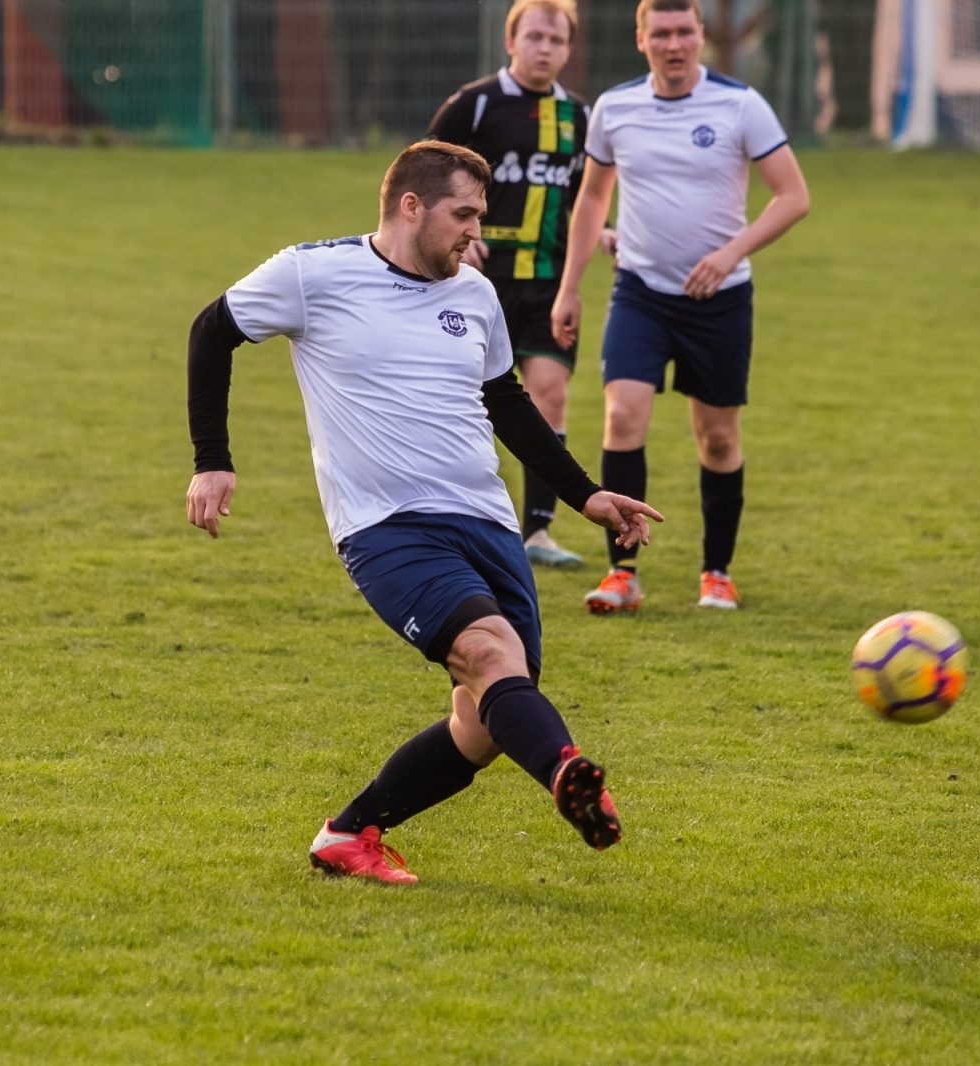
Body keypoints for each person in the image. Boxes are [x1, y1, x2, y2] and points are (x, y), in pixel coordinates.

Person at [184, 141, 663, 885]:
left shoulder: (474, 292)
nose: (477, 233)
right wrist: (212, 458)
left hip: (487, 522)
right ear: (411, 206)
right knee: (490, 658)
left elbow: (506, 401)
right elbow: (211, 331)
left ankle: (349, 834)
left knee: (485, 720)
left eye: (481, 216)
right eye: (464, 215)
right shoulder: (313, 274)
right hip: (387, 527)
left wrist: (586, 495)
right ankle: (568, 771)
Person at [551, 0, 809, 614]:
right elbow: (592, 201)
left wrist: (729, 254)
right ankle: (622, 573)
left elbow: (793, 196)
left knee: (717, 438)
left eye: (684, 32)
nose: (674, 44)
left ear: (700, 36)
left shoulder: (740, 104)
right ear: (641, 39)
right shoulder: (616, 108)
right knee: (622, 417)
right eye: (661, 33)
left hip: (720, 301)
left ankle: (717, 573)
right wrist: (569, 287)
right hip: (639, 292)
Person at [426, 0, 596, 569]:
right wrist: (453, 233)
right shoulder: (474, 104)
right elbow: (422, 175)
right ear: (511, 41)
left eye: (557, 39)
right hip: (475, 283)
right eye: (535, 36)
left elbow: (585, 196)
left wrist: (603, 230)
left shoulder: (580, 116)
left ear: (568, 49)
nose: (545, 48)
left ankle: (538, 531)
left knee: (550, 392)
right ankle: (436, 524)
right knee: (457, 402)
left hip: (549, 281)